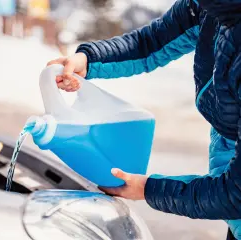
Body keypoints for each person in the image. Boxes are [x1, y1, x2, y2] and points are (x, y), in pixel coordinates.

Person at [47, 0, 241, 239]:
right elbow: (151, 43)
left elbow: (236, 194)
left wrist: (148, 189)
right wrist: (88, 60)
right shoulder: (209, 8)